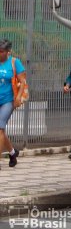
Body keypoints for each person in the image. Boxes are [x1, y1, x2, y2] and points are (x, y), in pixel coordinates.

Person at [0, 39, 26, 169]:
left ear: (8, 52)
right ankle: (12, 153)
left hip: (8, 100)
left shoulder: (14, 63)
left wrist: (19, 97)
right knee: (1, 130)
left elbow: (22, 81)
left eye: (1, 51)